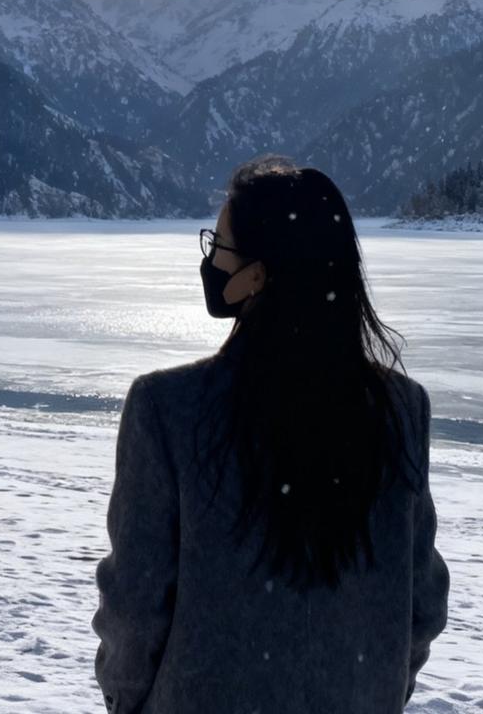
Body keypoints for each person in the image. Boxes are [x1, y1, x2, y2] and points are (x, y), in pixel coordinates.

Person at [92, 154, 450, 713]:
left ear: (256, 274)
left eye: (219, 246)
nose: (210, 261)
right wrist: (373, 687)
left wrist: (127, 701)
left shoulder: (167, 410)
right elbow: (422, 603)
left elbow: (134, 609)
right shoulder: (400, 410)